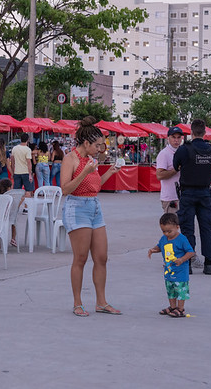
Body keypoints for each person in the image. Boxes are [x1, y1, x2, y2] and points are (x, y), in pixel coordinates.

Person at [60, 117, 122, 317]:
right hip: (77, 208)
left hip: (94, 206)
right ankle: (77, 303)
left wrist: (109, 173)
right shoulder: (71, 159)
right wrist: (84, 171)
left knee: (101, 257)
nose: (100, 149)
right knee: (80, 258)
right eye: (97, 145)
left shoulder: (91, 161)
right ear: (86, 143)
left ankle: (101, 302)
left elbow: (94, 186)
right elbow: (65, 189)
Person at [172, 119, 211, 275]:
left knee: (187, 228)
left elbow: (175, 166)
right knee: (206, 228)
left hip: (188, 192)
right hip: (205, 193)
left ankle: (189, 263)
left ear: (191, 132)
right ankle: (208, 264)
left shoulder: (184, 149)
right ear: (205, 133)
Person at [148, 212, 195, 318]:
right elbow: (160, 246)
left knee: (180, 290)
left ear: (177, 227)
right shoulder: (164, 238)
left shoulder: (182, 239)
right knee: (170, 290)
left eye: (169, 231)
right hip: (169, 270)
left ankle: (181, 309)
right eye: (164, 231)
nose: (166, 234)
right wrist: (153, 250)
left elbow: (191, 252)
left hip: (181, 271)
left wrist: (182, 259)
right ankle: (173, 307)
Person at [156, 126, 184, 214]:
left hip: (184, 195)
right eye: (173, 137)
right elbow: (159, 175)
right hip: (170, 197)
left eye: (178, 137)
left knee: (183, 224)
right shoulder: (164, 154)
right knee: (171, 225)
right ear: (168, 138)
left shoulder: (183, 152)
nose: (176, 140)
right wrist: (175, 169)